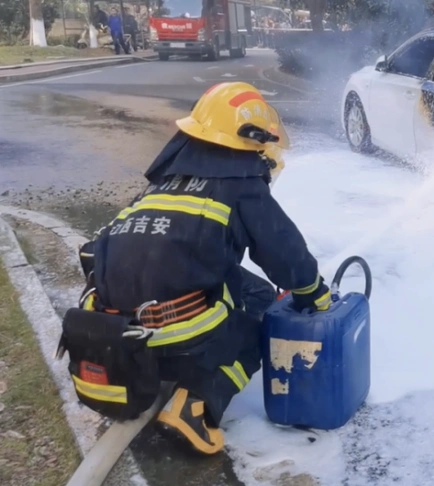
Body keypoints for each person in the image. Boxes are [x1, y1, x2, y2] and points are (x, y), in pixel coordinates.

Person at [73, 82, 332, 455]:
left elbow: (98, 252)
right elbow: (286, 255)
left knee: (253, 289)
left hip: (112, 331)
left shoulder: (159, 187)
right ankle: (196, 406)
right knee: (256, 325)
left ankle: (167, 362)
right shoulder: (241, 187)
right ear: (250, 142)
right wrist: (315, 296)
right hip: (172, 336)